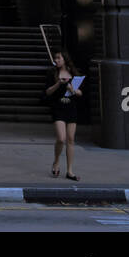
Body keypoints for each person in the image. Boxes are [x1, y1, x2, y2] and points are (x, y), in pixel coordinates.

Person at [45, 48, 83, 180]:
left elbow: (80, 93)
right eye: (55, 58)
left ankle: (70, 171)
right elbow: (48, 92)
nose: (56, 60)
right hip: (58, 108)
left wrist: (72, 89)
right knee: (61, 138)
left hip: (71, 108)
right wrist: (58, 84)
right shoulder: (52, 73)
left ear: (65, 59)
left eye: (58, 58)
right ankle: (56, 161)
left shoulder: (74, 73)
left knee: (71, 140)